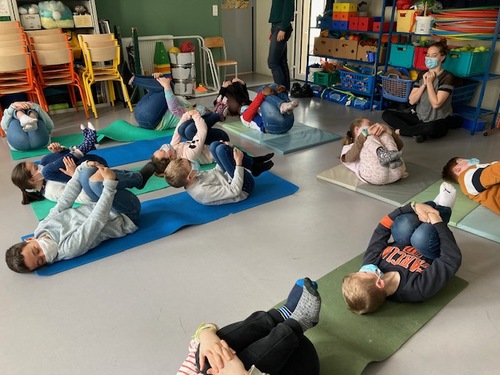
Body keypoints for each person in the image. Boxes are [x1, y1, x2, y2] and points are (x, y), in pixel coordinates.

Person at [5, 161, 149, 273]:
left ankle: (137, 179)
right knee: (97, 182)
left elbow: (64, 202)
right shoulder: (68, 249)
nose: (45, 253)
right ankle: (138, 178)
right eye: (41, 260)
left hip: (102, 205)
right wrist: (110, 185)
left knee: (86, 172)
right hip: (125, 215)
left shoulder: (43, 228)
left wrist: (79, 169)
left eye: (36, 250)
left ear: (30, 239)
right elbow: (97, 220)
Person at [342, 182, 462, 314]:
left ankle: (430, 206)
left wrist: (412, 206)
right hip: (429, 246)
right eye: (364, 273)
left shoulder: (371, 264)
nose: (364, 268)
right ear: (380, 284)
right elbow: (451, 258)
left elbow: (381, 229)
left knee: (403, 225)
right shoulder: (417, 289)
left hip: (405, 238)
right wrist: (438, 223)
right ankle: (443, 208)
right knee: (421, 238)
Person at [176, 278, 321, 375]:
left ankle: (283, 314)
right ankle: (300, 322)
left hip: (275, 339)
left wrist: (206, 335)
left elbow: (199, 339)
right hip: (295, 362)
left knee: (205, 359)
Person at [381, 40, 455, 143]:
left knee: (432, 127)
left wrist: (429, 83)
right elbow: (412, 100)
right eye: (428, 55)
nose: (429, 58)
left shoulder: (447, 77)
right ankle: (417, 132)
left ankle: (403, 131)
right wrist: (424, 84)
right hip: (419, 117)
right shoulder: (422, 75)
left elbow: (436, 104)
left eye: (434, 56)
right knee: (387, 114)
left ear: (442, 58)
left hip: (438, 120)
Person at [164, 141, 274, 205]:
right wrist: (238, 163)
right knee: (222, 150)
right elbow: (234, 191)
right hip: (243, 188)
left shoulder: (192, 178)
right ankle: (254, 165)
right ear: (189, 176)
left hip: (229, 178)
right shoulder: (202, 190)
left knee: (215, 146)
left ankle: (254, 166)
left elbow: (215, 172)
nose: (192, 162)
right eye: (189, 163)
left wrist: (221, 159)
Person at [130, 74, 220, 131]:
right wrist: (160, 78)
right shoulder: (189, 106)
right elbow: (162, 98)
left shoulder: (190, 116)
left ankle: (132, 79)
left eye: (205, 111)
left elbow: (174, 108)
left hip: (150, 120)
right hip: (142, 112)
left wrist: (167, 86)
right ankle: (133, 77)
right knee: (166, 82)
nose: (204, 108)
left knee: (166, 87)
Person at [341, 118, 408, 185]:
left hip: (396, 171)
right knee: (366, 132)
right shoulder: (349, 147)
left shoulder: (377, 139)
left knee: (383, 131)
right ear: (357, 129)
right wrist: (364, 134)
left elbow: (399, 146)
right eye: (370, 124)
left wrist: (388, 130)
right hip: (374, 174)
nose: (373, 125)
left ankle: (391, 155)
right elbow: (349, 158)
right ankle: (381, 153)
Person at [268, 0, 295, 90]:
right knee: (281, 61)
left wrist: (283, 29)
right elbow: (276, 9)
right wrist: (272, 30)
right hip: (276, 26)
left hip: (281, 26)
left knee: (273, 62)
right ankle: (285, 92)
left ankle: (280, 93)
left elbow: (288, 8)